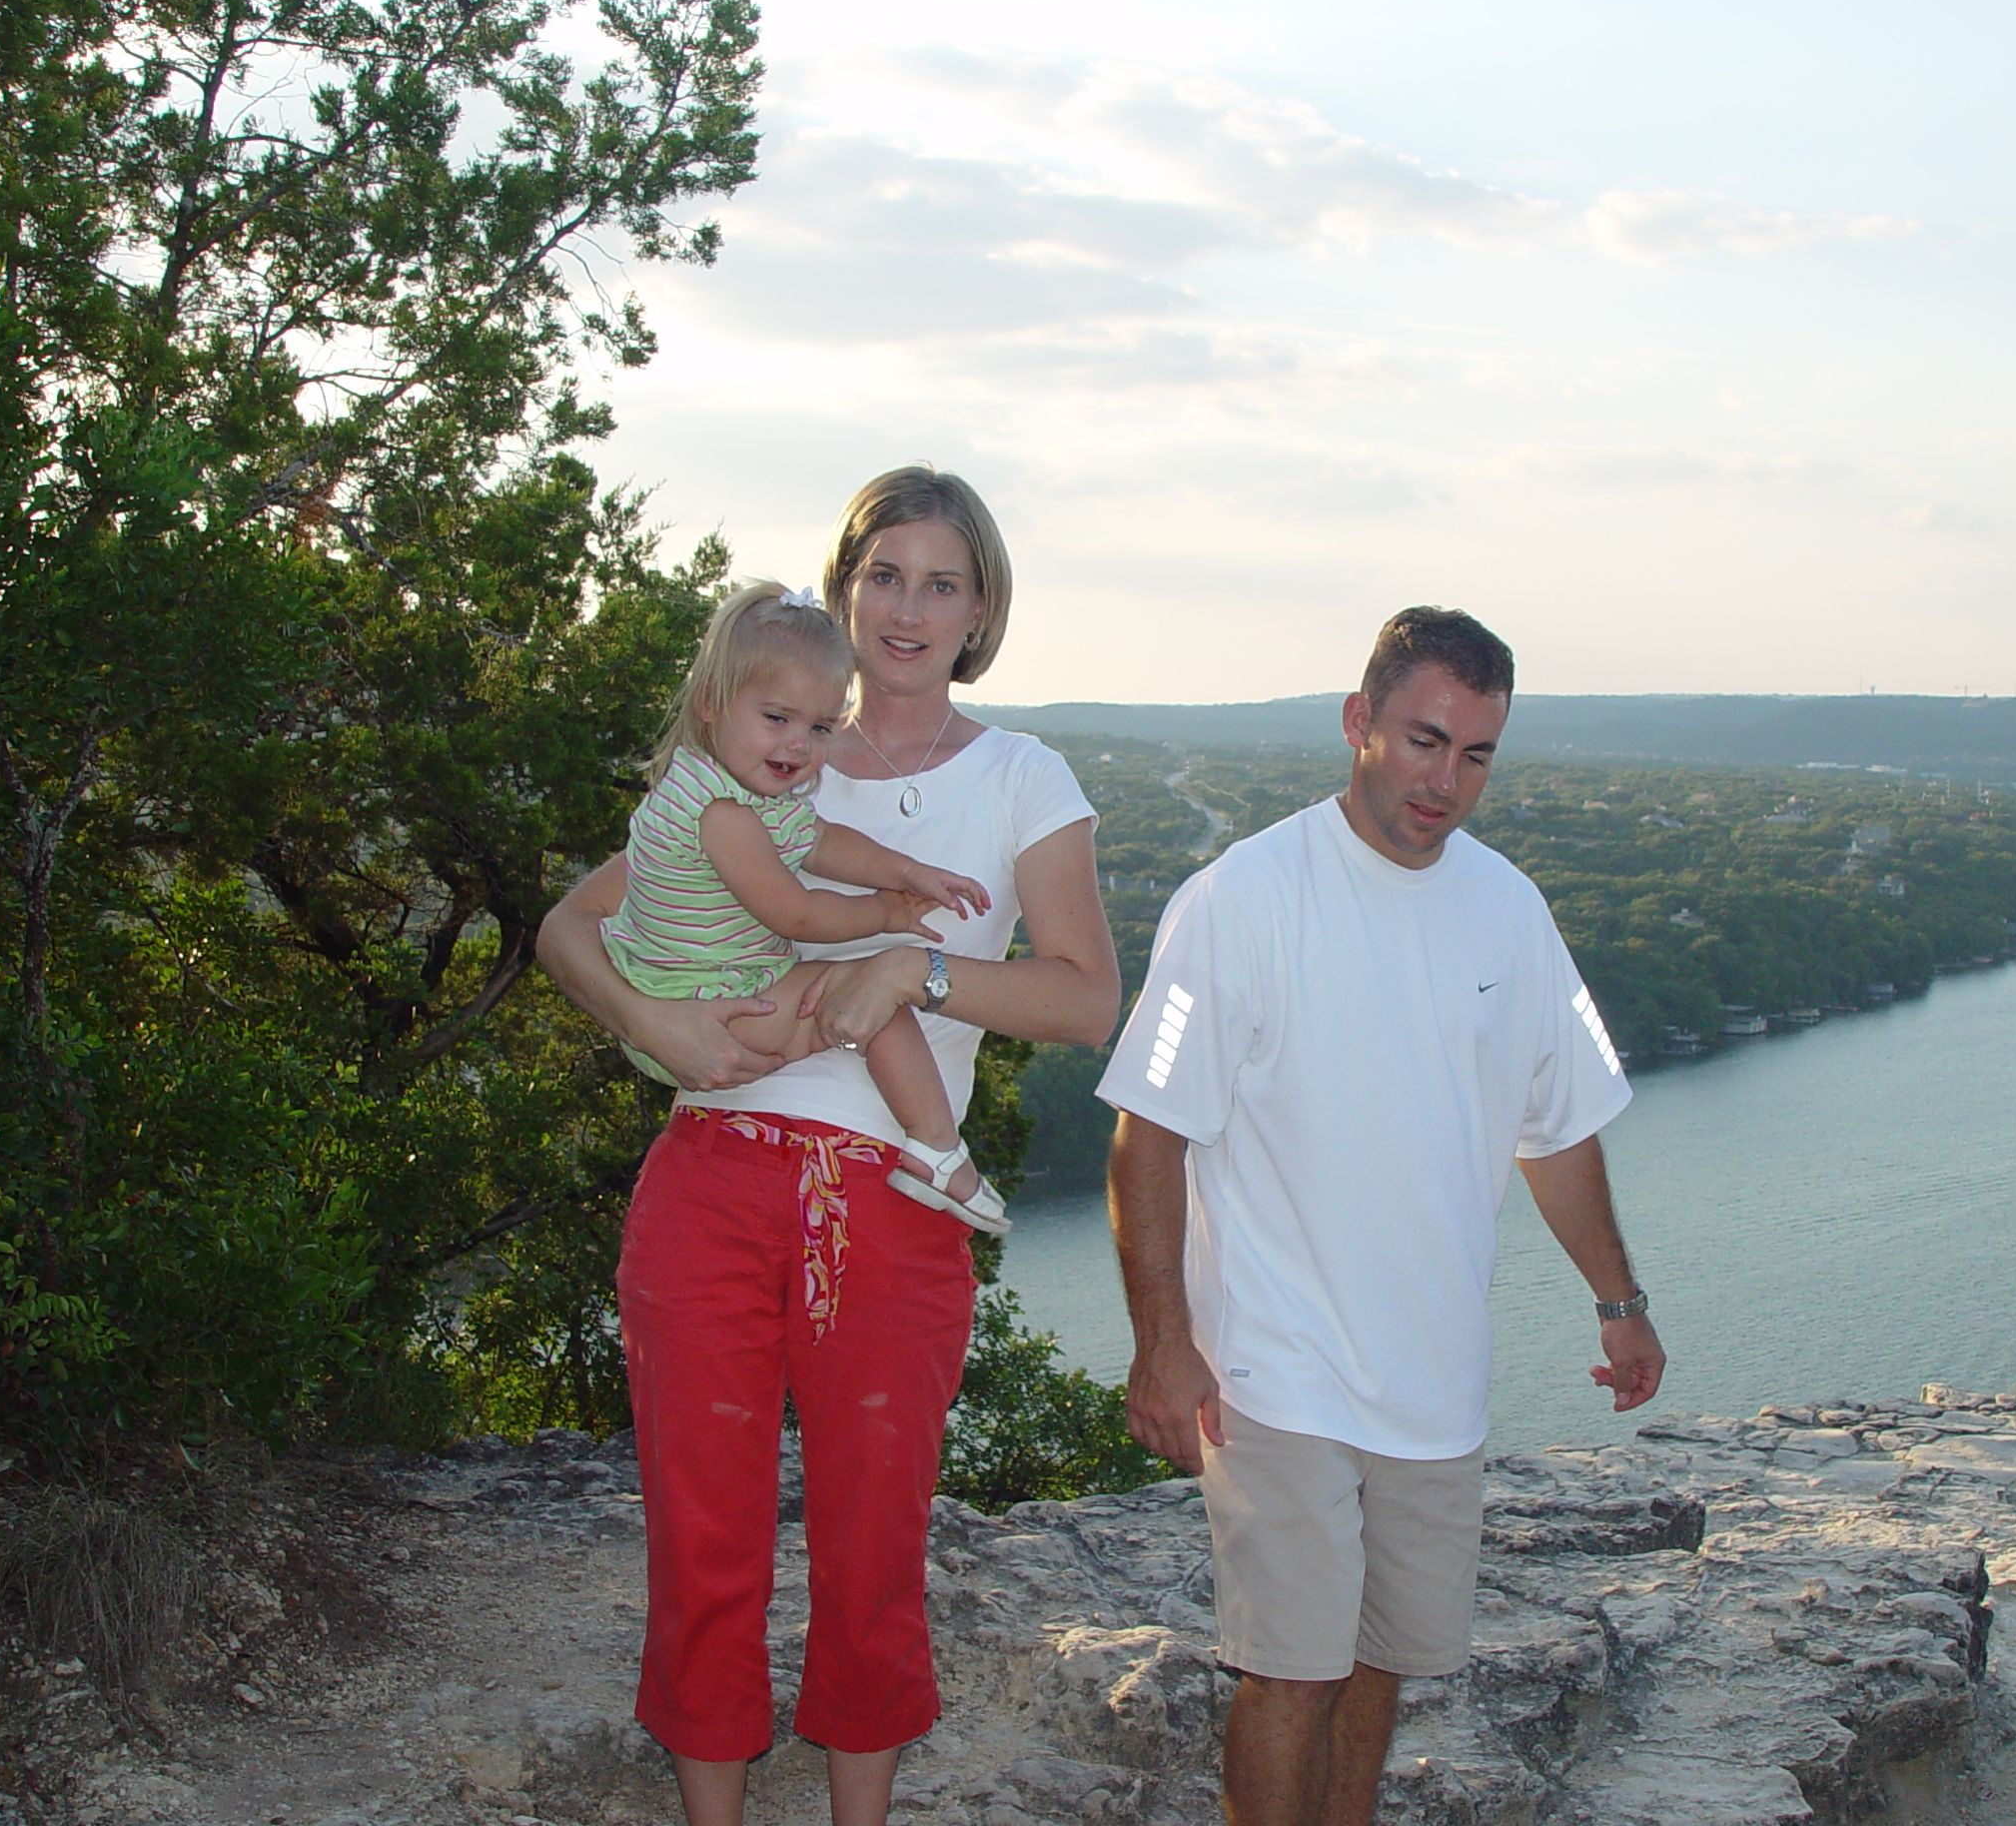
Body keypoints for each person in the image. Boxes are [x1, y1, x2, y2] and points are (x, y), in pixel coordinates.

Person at [536, 467, 1119, 1826]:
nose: (908, 609)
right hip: (709, 1175)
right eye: (885, 575)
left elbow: (1086, 996)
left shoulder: (1022, 776)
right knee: (703, 1540)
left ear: (982, 610)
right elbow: (569, 926)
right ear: (846, 588)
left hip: (895, 1199)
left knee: (871, 1549)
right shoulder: (766, 750)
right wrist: (655, 1025)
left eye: (943, 581)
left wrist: (912, 972)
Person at [1096, 605, 1666, 1826]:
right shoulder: (1238, 901)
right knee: (1291, 1668)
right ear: (1357, 724)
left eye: (1474, 755)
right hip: (1275, 1369)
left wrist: (1618, 1303)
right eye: (1422, 741)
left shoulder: (1511, 913)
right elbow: (1148, 1127)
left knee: (1378, 1663)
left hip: (1432, 1378)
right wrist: (1161, 1341)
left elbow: (1556, 1126)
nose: (1444, 781)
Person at [600, 579, 1000, 1228]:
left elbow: (823, 841)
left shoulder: (738, 789)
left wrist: (907, 871)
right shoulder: (722, 813)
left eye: (818, 727)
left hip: (695, 993)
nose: (797, 744)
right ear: (710, 703)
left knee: (857, 994)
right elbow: (799, 915)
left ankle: (930, 1149)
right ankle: (938, 1151)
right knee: (871, 1001)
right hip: (703, 1004)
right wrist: (889, 915)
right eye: (776, 719)